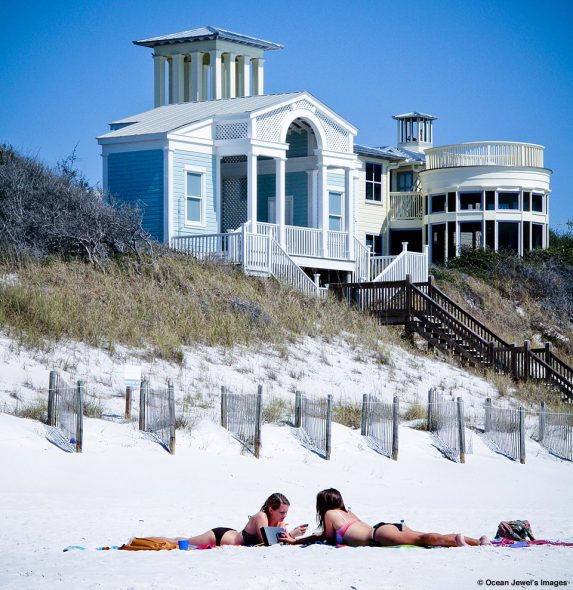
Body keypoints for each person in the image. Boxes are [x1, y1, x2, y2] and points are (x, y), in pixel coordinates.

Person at [281, 488, 490, 547]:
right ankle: (474, 541)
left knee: (423, 539)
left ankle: (460, 542)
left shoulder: (329, 514)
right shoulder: (346, 512)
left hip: (379, 535)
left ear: (323, 505)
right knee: (422, 535)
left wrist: (297, 541)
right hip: (384, 527)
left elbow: (326, 538)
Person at [121, 492, 308, 550]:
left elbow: (278, 542)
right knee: (178, 542)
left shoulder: (276, 522)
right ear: (271, 509)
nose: (284, 516)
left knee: (182, 540)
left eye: (285, 513)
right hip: (220, 537)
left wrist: (289, 533)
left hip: (229, 535)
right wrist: (290, 534)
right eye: (282, 513)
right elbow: (267, 543)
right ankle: (139, 540)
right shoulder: (261, 517)